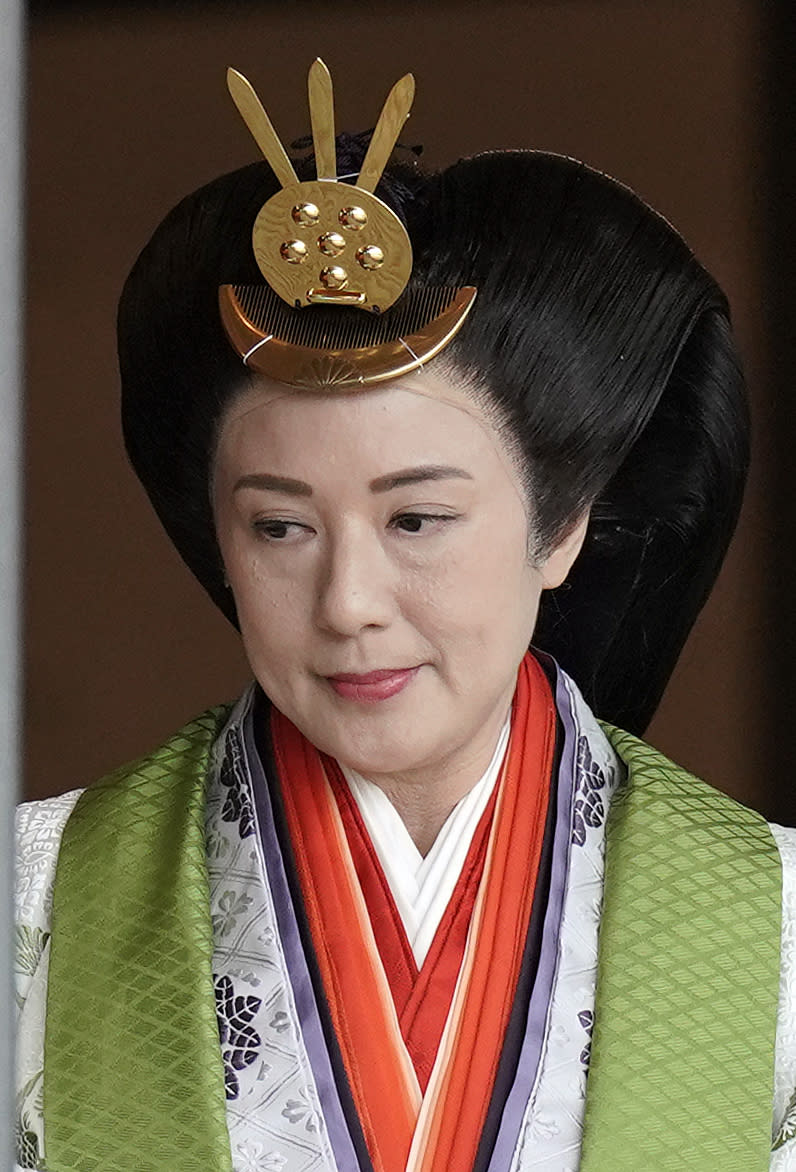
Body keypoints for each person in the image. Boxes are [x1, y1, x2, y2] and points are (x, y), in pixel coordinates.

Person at [14, 60, 796, 1172]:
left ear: (562, 523)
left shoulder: (775, 926)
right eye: (280, 527)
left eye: (418, 518)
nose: (347, 605)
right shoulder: (37, 908)